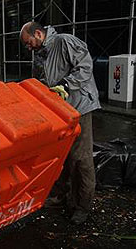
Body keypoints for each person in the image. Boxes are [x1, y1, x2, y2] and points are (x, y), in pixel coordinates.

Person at [20, 22, 101, 225]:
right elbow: (40, 81)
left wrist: (66, 84)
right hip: (58, 111)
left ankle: (82, 206)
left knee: (81, 158)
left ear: (38, 33)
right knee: (61, 155)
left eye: (29, 42)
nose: (28, 47)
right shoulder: (40, 52)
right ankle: (61, 196)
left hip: (79, 107)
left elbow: (85, 66)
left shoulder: (64, 41)